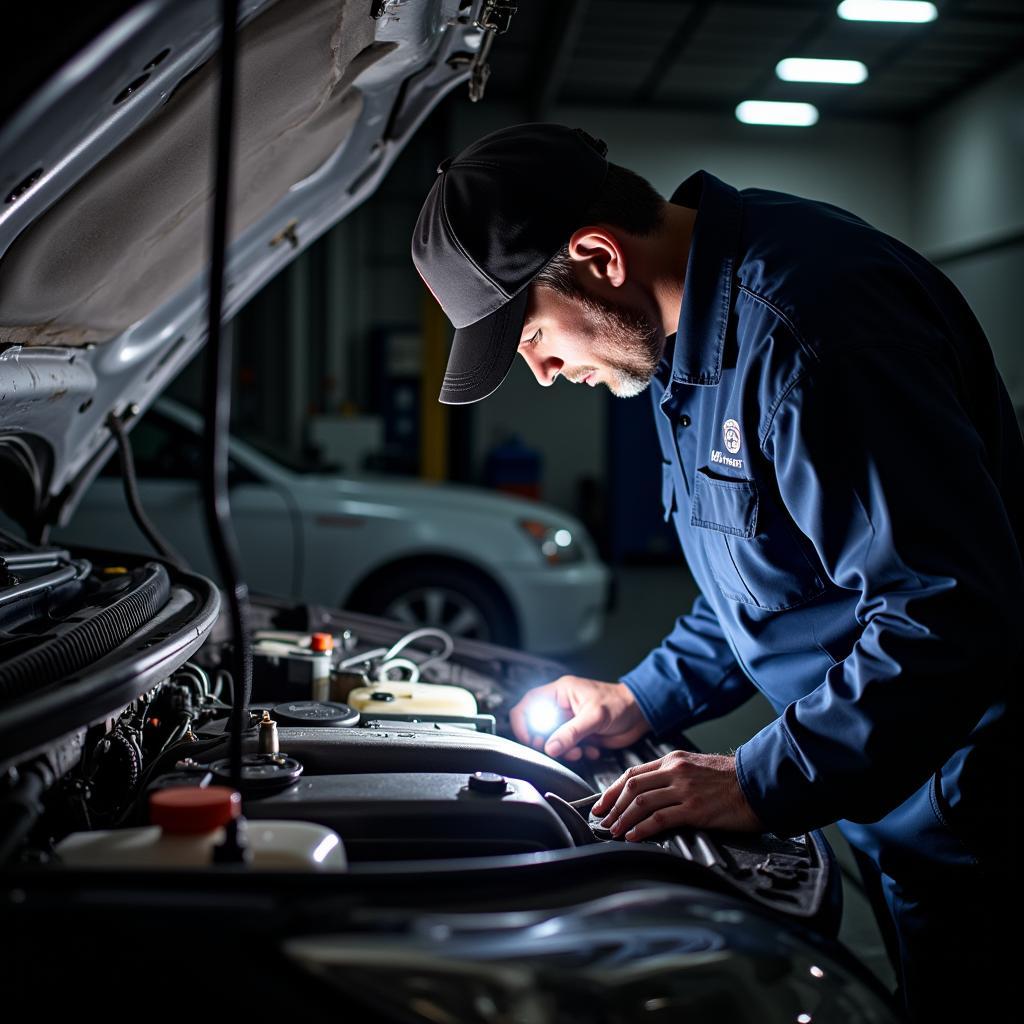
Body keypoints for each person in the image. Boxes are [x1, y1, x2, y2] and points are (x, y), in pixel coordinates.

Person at [411, 123, 1021, 1022]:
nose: (539, 372)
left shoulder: (812, 329)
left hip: (977, 801)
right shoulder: (683, 342)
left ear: (597, 257)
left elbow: (949, 612)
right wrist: (645, 697)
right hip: (884, 782)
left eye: (532, 333)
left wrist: (755, 779)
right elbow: (765, 576)